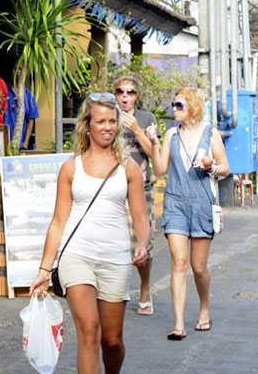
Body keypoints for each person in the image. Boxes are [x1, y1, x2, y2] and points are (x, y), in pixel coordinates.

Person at [30, 94, 150, 374]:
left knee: (111, 341)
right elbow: (58, 221)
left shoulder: (129, 169)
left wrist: (143, 244)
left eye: (112, 121)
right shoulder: (71, 168)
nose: (107, 127)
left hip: (115, 259)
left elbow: (141, 218)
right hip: (77, 256)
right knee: (88, 332)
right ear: (88, 125)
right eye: (101, 122)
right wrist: (45, 269)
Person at [146, 87, 229, 340]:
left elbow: (225, 167)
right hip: (176, 204)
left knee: (199, 266)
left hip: (202, 203)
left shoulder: (210, 133)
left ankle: (204, 309)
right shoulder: (171, 134)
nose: (174, 109)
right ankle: (179, 324)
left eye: (179, 105)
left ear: (192, 106)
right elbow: (160, 169)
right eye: (174, 105)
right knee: (179, 264)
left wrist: (211, 167)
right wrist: (153, 141)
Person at [114, 76, 158, 315]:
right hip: (112, 189)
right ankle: (115, 291)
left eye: (129, 92)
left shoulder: (146, 119)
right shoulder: (107, 118)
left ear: (136, 96)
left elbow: (154, 154)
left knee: (141, 247)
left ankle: (144, 287)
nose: (124, 96)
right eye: (120, 91)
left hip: (140, 191)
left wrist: (135, 130)